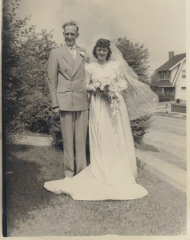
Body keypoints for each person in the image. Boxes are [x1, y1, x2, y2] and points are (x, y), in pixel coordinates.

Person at [44, 37, 158, 200]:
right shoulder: (89, 67)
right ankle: (100, 168)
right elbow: (86, 86)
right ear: (95, 51)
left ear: (108, 52)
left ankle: (116, 169)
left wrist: (112, 88)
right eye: (99, 50)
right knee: (101, 134)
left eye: (104, 50)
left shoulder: (115, 65)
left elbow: (124, 84)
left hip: (113, 105)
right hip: (98, 105)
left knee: (114, 134)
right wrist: (97, 87)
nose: (101, 52)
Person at [48, 21, 88, 178]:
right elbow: (52, 80)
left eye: (72, 34)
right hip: (64, 99)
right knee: (68, 140)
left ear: (77, 35)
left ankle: (82, 172)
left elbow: (89, 75)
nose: (69, 37)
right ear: (63, 35)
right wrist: (54, 104)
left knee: (80, 139)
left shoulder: (84, 52)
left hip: (81, 100)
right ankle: (69, 173)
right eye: (67, 34)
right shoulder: (56, 53)